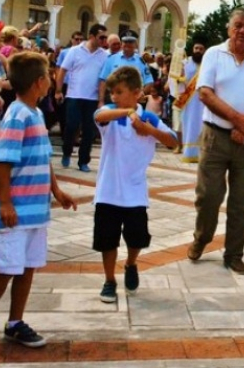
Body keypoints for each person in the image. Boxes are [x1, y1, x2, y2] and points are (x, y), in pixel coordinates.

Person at [0, 52, 77, 356]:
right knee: (6, 267)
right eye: (49, 76)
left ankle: (15, 321)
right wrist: (5, 203)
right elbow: (3, 161)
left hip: (35, 210)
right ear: (40, 82)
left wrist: (56, 190)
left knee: (27, 267)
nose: (52, 80)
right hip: (15, 210)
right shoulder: (17, 115)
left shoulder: (37, 114)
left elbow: (43, 158)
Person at [187, 8, 244, 275]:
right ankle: (201, 238)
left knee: (242, 200)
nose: (242, 30)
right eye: (237, 25)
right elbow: (204, 93)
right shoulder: (214, 54)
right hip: (215, 135)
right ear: (229, 29)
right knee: (208, 196)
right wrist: (238, 119)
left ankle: (234, 253)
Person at [93, 66, 178, 303]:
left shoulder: (148, 117)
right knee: (106, 240)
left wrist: (148, 129)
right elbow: (99, 116)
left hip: (135, 192)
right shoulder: (111, 113)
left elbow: (173, 141)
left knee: (137, 237)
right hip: (108, 191)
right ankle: (109, 280)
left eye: (119, 92)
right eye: (112, 92)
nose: (114, 96)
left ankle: (131, 264)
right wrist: (126, 111)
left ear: (136, 91)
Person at [56, 23, 108, 172]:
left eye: (105, 37)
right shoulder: (74, 51)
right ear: (92, 36)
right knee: (71, 126)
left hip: (92, 99)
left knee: (89, 131)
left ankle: (83, 161)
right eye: (101, 37)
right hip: (74, 95)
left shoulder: (104, 55)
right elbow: (62, 71)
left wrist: (101, 99)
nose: (104, 40)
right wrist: (58, 90)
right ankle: (66, 152)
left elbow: (102, 79)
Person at [175, 34, 207, 163]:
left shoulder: (207, 64)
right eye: (196, 48)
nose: (198, 51)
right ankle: (188, 153)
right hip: (188, 100)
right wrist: (179, 77)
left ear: (204, 50)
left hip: (203, 100)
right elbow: (177, 80)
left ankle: (201, 154)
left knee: (202, 125)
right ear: (192, 49)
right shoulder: (185, 62)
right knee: (188, 125)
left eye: (200, 49)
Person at [98, 30, 153, 104]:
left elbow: (149, 82)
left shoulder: (141, 61)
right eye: (125, 42)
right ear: (121, 44)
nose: (128, 44)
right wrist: (101, 101)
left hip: (133, 102)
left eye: (130, 42)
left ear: (135, 44)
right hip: (114, 101)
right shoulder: (111, 59)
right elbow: (103, 81)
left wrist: (141, 93)